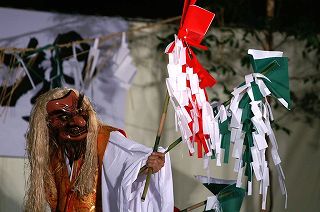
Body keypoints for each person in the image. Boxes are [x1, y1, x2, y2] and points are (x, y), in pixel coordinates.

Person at [24, 88, 174, 212]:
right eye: (64, 117)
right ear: (46, 124)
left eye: (80, 112)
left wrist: (147, 165)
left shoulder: (106, 138)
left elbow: (127, 160)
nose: (79, 121)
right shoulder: (53, 148)